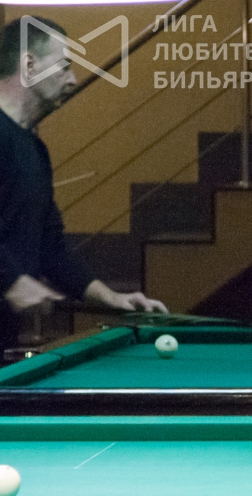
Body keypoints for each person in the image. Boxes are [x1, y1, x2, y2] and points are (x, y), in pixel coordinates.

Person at [0, 17, 166, 353]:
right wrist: (11, 281)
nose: (73, 79)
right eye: (64, 67)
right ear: (29, 66)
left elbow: (51, 248)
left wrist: (110, 298)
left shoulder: (35, 150)